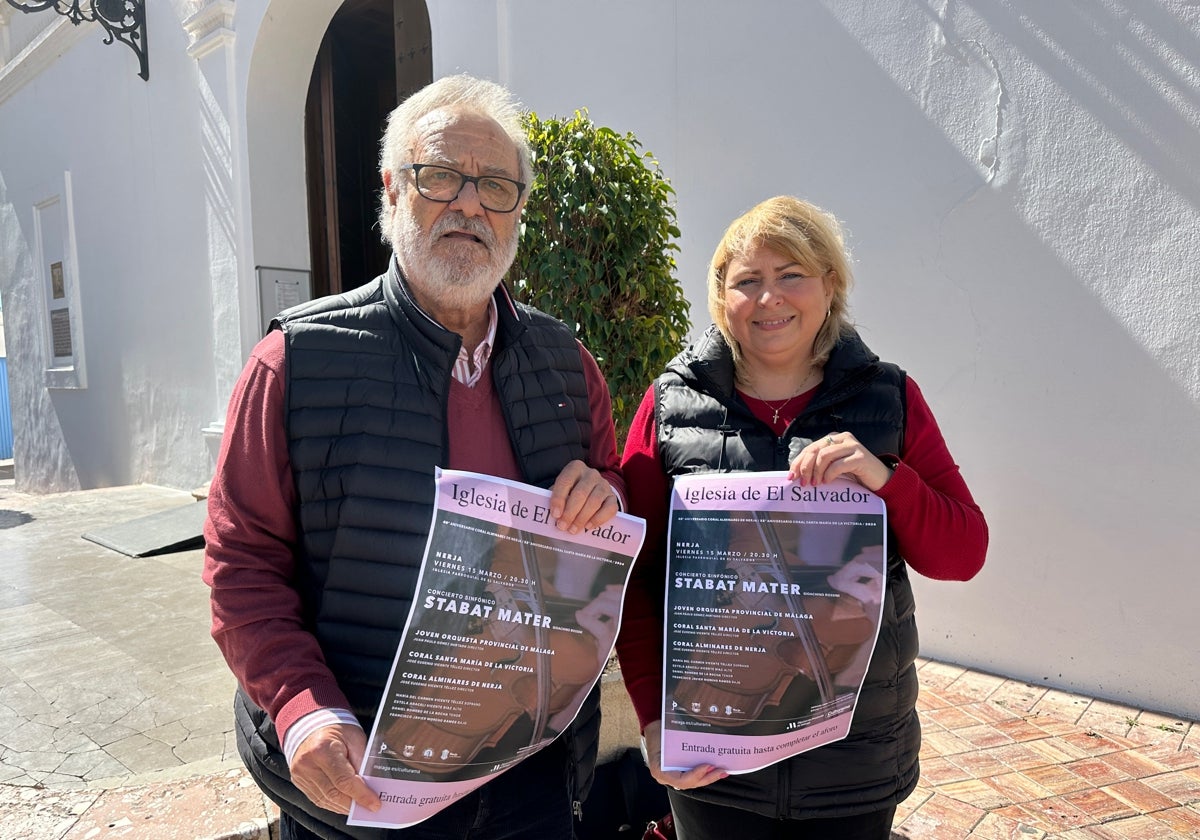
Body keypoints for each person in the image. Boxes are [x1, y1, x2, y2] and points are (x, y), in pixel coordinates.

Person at [203, 74, 626, 840]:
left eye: (496, 185)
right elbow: (242, 565)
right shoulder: (295, 362)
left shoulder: (569, 366)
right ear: (393, 190)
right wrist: (304, 712)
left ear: (519, 212)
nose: (469, 203)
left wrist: (607, 496)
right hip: (364, 774)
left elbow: (612, 500)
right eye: (441, 176)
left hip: (528, 774)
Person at [615, 196, 988, 840]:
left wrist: (886, 480)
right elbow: (633, 577)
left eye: (792, 275)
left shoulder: (889, 399)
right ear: (721, 297)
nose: (769, 300)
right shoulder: (671, 406)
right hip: (714, 761)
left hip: (852, 762)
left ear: (830, 284)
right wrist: (653, 720)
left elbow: (963, 553)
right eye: (746, 282)